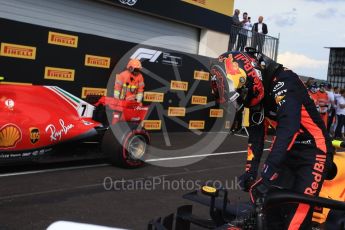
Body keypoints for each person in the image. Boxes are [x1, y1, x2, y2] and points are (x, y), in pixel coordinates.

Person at [213, 48, 334, 229]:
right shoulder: (257, 94)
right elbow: (256, 135)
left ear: (250, 76)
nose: (242, 99)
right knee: (269, 208)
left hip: (315, 151)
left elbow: (289, 128)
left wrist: (267, 174)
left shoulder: (285, 81)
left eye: (241, 92)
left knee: (296, 218)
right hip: (289, 152)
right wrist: (251, 171)